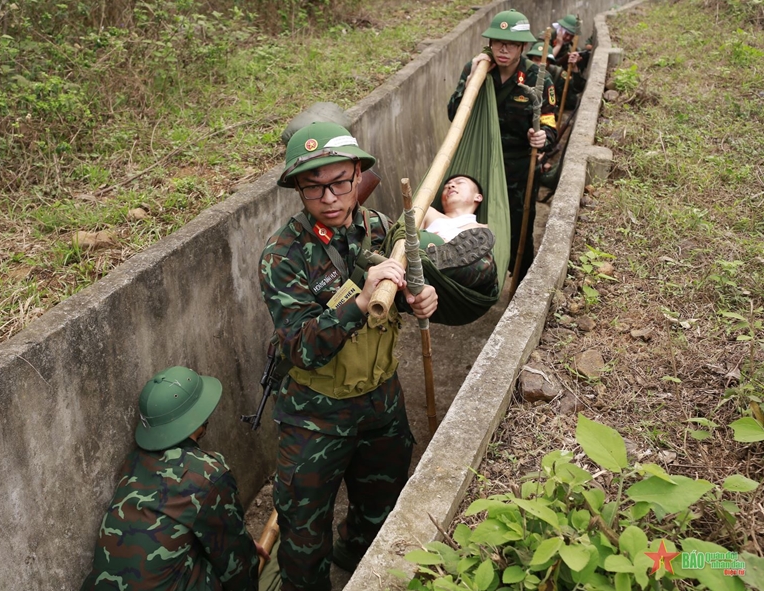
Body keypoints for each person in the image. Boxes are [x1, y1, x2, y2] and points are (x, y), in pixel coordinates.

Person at [259, 121, 438, 591]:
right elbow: (301, 347)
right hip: (315, 415)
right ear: (297, 188)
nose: (331, 198)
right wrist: (359, 301)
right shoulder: (283, 255)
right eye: (313, 188)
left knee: (382, 508)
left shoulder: (381, 230)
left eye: (341, 182)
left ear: (358, 174)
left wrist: (419, 298)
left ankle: (358, 557)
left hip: (381, 401)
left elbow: (407, 292)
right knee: (302, 534)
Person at [81, 366, 268, 591]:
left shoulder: (134, 462)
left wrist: (241, 543)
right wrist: (244, 551)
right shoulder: (209, 475)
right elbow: (237, 565)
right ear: (195, 418)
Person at [447, 9, 557, 282]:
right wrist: (473, 78)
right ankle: (481, 284)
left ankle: (520, 286)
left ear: (522, 46)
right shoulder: (477, 69)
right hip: (480, 167)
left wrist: (543, 137)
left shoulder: (537, 78)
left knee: (520, 234)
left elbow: (550, 123)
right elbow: (454, 113)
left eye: (510, 44)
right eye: (498, 42)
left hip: (518, 171)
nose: (503, 49)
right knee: (477, 230)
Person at [526, 41, 586, 113]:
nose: (540, 64)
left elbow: (576, 89)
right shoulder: (523, 71)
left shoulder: (557, 73)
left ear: (549, 62)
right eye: (536, 60)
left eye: (544, 61)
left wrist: (574, 70)